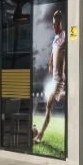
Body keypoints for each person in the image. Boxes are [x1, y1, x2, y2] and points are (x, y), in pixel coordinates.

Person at [34, 9, 66, 144]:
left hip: (60, 80)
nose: (53, 26)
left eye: (56, 24)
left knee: (48, 105)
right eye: (53, 24)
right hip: (54, 79)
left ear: (60, 23)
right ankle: (37, 131)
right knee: (49, 106)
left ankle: (40, 134)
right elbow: (54, 51)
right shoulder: (56, 38)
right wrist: (50, 62)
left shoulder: (65, 37)